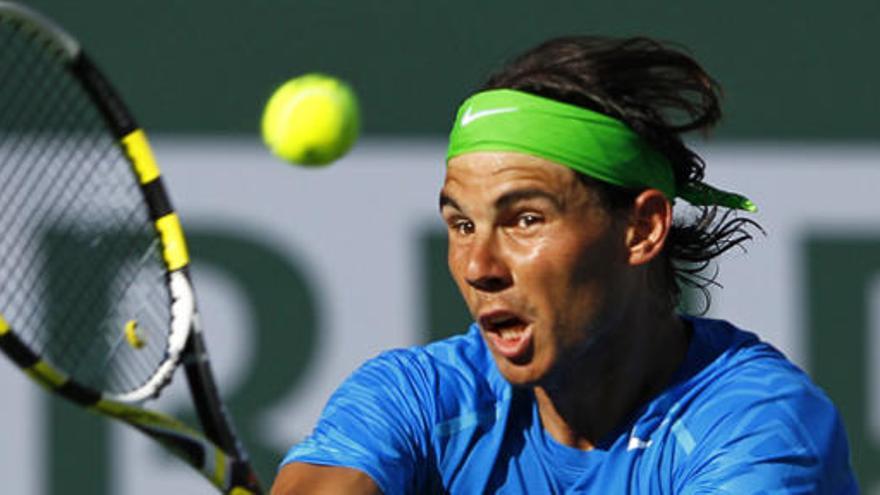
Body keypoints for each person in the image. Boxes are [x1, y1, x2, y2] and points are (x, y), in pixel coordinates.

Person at [271, 36, 858, 494]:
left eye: (525, 219)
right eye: (462, 224)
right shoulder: (416, 397)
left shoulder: (756, 427)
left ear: (642, 228)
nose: (479, 265)